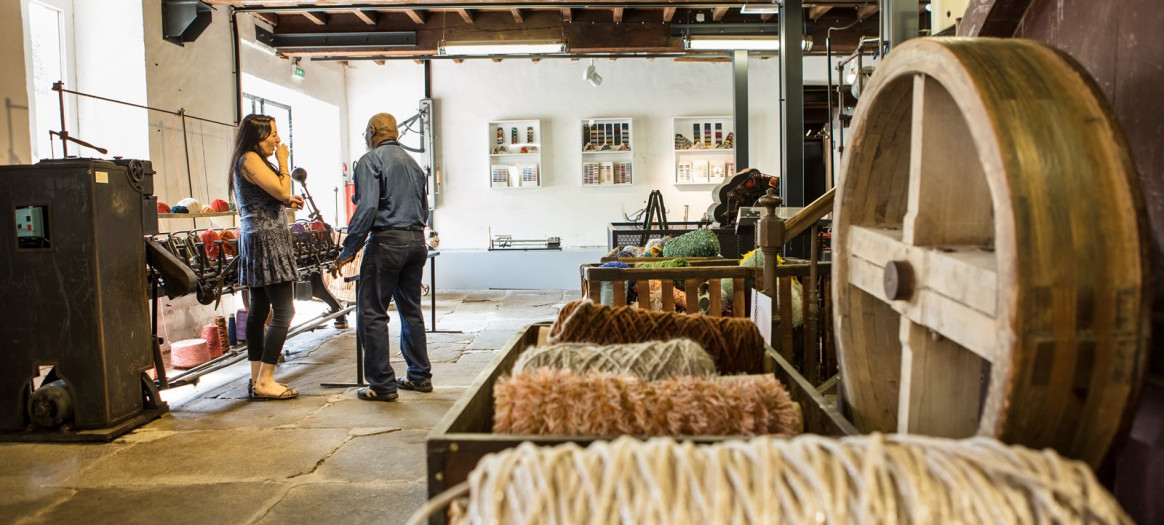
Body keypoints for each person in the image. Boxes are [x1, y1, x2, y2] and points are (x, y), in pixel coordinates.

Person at [332, 112, 431, 402]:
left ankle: (382, 385)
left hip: (387, 242)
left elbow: (367, 208)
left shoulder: (370, 160)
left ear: (372, 130)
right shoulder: (413, 164)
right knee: (410, 310)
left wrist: (347, 250)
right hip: (416, 241)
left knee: (372, 313)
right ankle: (419, 376)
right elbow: (423, 208)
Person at [228, 114, 304, 400]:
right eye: (272, 133)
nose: (277, 139)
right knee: (285, 311)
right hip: (266, 239)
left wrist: (284, 202)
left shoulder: (249, 160)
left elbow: (275, 194)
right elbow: (283, 187)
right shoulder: (249, 158)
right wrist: (285, 163)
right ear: (256, 137)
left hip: (259, 235)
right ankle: (266, 380)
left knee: (259, 310)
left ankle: (257, 378)